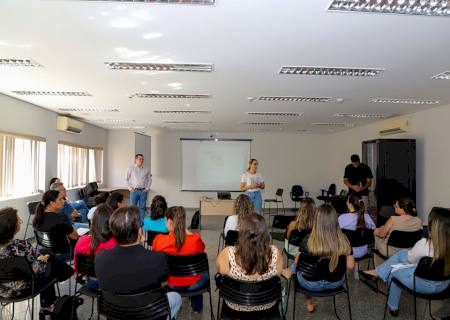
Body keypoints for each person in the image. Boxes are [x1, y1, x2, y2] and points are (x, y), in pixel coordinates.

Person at [361, 207, 450, 317]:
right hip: (445, 286)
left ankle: (392, 306)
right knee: (403, 254)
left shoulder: (424, 244)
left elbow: (411, 259)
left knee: (394, 270)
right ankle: (377, 272)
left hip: (424, 285)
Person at [95, 206, 181, 319]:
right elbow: (163, 285)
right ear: (140, 231)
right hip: (148, 313)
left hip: (115, 313)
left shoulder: (100, 257)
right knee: (176, 297)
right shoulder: (158, 258)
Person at [0, 207, 73, 318]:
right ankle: (49, 303)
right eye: (18, 220)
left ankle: (48, 302)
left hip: (2, 290)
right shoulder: (20, 246)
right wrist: (41, 260)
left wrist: (39, 258)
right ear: (12, 227)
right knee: (51, 265)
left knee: (45, 252)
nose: (21, 221)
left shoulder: (15, 248)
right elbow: (38, 269)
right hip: (23, 288)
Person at [284, 204, 355, 313]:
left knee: (302, 269)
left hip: (309, 284)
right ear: (335, 220)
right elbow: (350, 266)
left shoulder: (308, 240)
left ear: (316, 221)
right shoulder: (344, 240)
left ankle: (309, 302)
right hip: (335, 282)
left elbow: (297, 262)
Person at [216, 214, 284, 312]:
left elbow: (221, 273)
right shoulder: (275, 253)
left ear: (242, 233)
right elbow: (279, 273)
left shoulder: (227, 253)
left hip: (235, 305)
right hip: (266, 305)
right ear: (265, 233)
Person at [153, 206, 207, 313]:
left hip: (170, 284)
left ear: (169, 221)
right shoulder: (196, 240)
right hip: (194, 285)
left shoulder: (159, 240)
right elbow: (202, 251)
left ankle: (171, 303)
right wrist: (187, 232)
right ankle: (197, 307)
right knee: (201, 271)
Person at [74, 204, 117, 289]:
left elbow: (76, 267)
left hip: (92, 282)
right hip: (113, 283)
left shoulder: (82, 240)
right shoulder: (118, 242)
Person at [33, 190, 80, 262]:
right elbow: (75, 237)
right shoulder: (60, 218)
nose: (63, 201)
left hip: (45, 251)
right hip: (64, 253)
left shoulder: (37, 218)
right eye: (60, 199)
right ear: (52, 203)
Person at [374, 197, 422, 265]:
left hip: (391, 251)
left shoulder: (393, 220)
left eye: (396, 205)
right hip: (408, 250)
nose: (394, 206)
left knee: (377, 234)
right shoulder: (418, 220)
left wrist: (376, 230)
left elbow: (381, 234)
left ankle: (380, 267)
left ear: (402, 208)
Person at [339, 194, 376, 258]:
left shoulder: (342, 217)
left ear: (350, 205)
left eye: (347, 201)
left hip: (347, 252)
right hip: (364, 251)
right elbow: (373, 230)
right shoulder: (366, 216)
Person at [125, 154, 152, 224]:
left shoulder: (146, 169)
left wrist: (147, 188)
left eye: (142, 159)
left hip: (143, 191)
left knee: (142, 208)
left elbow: (150, 179)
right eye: (140, 159)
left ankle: (141, 224)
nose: (141, 160)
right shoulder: (130, 168)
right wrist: (130, 188)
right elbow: (126, 179)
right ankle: (132, 223)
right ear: (135, 160)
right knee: (132, 208)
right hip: (134, 191)